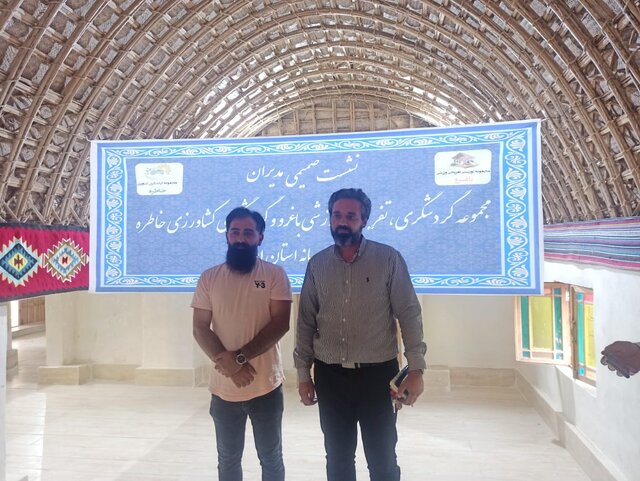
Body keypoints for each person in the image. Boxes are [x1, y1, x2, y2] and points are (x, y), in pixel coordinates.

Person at [294, 188, 427, 481]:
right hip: (330, 377)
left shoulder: (388, 259)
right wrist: (303, 375)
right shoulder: (317, 265)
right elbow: (305, 322)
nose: (342, 221)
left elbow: (409, 313)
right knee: (338, 460)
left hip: (378, 378)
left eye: (350, 216)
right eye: (336, 215)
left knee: (382, 460)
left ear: (364, 220)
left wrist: (416, 369)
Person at [192, 207, 292, 481]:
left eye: (248, 232)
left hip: (266, 387)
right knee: (227, 460)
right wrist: (232, 367)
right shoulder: (209, 278)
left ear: (260, 237)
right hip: (223, 390)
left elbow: (280, 323)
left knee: (271, 458)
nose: (240, 238)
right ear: (227, 235)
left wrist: (238, 360)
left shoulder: (274, 275)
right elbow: (200, 327)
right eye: (235, 232)